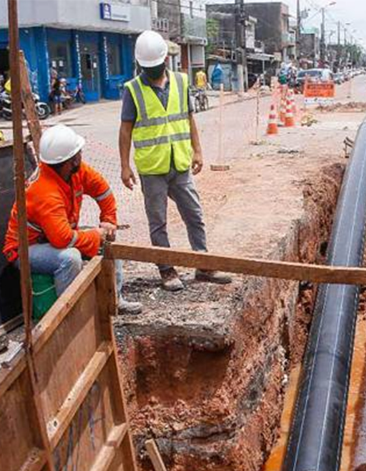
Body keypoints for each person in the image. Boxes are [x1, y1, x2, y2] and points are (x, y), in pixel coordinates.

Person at [119, 30, 231, 292]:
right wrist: (125, 166)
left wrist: (198, 151)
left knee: (194, 215)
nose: (151, 71)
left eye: (155, 66)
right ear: (139, 65)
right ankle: (167, 270)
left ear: (165, 61)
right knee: (158, 222)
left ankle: (202, 264)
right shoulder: (132, 90)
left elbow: (189, 118)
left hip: (179, 163)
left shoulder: (181, 82)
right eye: (146, 67)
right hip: (152, 167)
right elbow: (125, 130)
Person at [3, 124, 142, 314]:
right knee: (69, 259)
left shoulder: (76, 171)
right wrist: (96, 234)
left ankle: (114, 301)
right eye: (78, 153)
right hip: (26, 249)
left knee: (108, 245)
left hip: (55, 237)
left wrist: (109, 221)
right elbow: (64, 240)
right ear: (71, 160)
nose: (81, 155)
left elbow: (103, 192)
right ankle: (70, 316)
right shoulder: (45, 191)